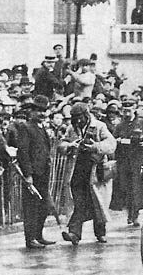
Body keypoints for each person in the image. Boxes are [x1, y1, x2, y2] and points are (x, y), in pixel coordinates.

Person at [59, 103, 116, 245]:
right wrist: (70, 146)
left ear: (86, 115)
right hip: (77, 170)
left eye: (80, 117)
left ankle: (100, 232)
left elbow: (111, 143)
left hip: (95, 171)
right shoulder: (72, 129)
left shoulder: (99, 126)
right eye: (75, 118)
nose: (78, 121)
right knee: (78, 202)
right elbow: (62, 144)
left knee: (97, 202)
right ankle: (74, 234)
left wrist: (95, 147)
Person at [15, 95, 56, 249]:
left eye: (44, 110)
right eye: (38, 110)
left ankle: (38, 235)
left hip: (43, 172)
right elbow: (23, 152)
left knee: (43, 206)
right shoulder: (26, 127)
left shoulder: (42, 127)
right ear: (31, 111)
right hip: (33, 173)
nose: (41, 113)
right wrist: (28, 174)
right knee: (31, 206)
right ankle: (30, 238)